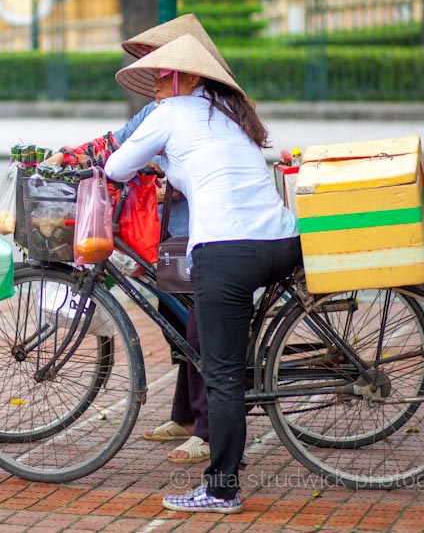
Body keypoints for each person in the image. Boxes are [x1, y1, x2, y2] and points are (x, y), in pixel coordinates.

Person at [104, 32, 300, 514]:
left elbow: (115, 166)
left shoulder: (172, 113)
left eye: (162, 75)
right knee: (228, 355)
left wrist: (150, 157)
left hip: (227, 251)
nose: (154, 85)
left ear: (189, 76)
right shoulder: (226, 110)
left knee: (223, 376)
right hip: (281, 241)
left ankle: (221, 489)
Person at [43, 14, 232, 465]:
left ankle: (207, 431)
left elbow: (208, 168)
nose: (152, 75)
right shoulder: (164, 108)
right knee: (175, 317)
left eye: (159, 64)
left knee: (197, 326)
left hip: (202, 228)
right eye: (149, 63)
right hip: (171, 227)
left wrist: (163, 181)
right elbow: (116, 142)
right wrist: (65, 157)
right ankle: (185, 415)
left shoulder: (210, 109)